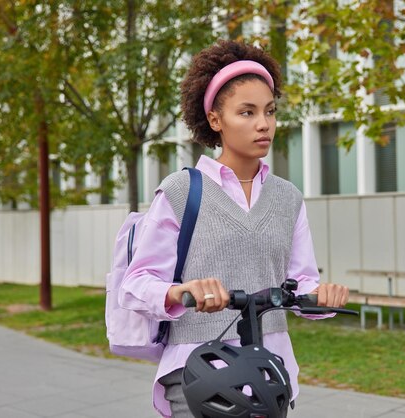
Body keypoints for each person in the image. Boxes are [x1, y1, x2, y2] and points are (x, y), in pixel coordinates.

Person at [120, 40, 350, 418]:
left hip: (267, 375)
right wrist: (182, 291)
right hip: (199, 376)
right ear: (215, 120)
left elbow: (300, 282)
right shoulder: (181, 191)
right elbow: (137, 283)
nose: (264, 123)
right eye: (247, 112)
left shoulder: (287, 198)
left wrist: (322, 297)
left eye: (270, 111)